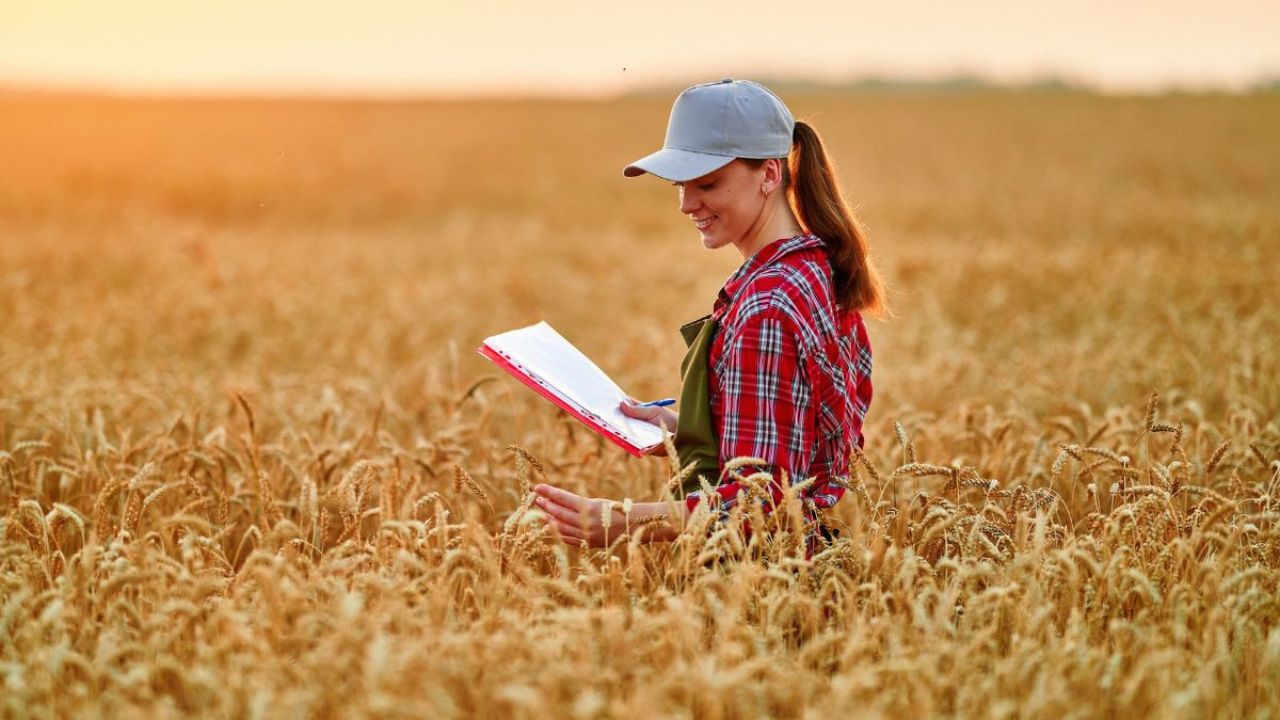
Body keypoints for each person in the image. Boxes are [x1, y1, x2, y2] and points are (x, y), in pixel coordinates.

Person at [532, 79, 885, 559]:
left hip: (761, 580)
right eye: (680, 185)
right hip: (803, 565)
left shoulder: (766, 307)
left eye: (708, 184)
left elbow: (759, 505)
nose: (686, 203)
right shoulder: (814, 271)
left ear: (769, 174)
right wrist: (689, 430)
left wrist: (620, 520)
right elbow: (806, 440)